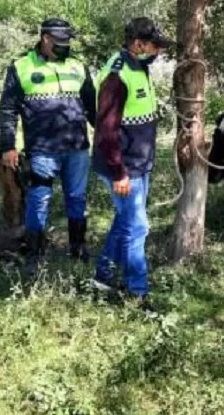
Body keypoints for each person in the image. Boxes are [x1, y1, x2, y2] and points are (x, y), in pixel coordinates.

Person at [90, 17, 174, 305]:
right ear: (138, 44)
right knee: (138, 228)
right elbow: (106, 132)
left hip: (138, 163)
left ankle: (103, 274)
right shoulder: (117, 75)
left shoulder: (138, 66)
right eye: (154, 46)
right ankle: (137, 293)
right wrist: (119, 173)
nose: (158, 52)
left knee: (125, 221)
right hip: (123, 168)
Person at [0, 18, 93, 261]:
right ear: (45, 38)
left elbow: (92, 107)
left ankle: (78, 248)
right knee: (39, 198)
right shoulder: (21, 66)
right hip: (42, 149)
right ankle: (34, 253)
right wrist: (8, 146)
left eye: (67, 41)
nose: (65, 46)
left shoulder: (78, 66)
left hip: (77, 147)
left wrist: (107, 137)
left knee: (77, 197)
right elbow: (8, 109)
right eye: (59, 41)